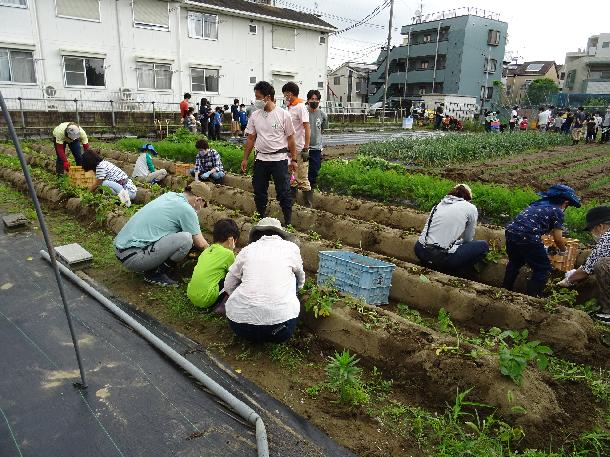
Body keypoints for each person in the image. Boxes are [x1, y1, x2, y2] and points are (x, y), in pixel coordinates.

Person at [224, 218, 305, 343]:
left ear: (256, 235)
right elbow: (301, 279)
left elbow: (229, 284)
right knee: (293, 277)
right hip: (280, 329)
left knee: (244, 276)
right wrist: (294, 294)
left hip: (240, 326)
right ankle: (281, 312)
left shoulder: (247, 250)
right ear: (281, 235)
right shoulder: (291, 248)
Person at [114, 185, 209, 286]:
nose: (201, 209)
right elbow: (201, 244)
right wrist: (216, 252)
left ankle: (153, 266)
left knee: (180, 234)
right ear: (198, 200)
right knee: (186, 239)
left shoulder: (170, 195)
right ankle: (155, 273)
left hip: (120, 249)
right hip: (134, 257)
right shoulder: (187, 209)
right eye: (204, 205)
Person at [502, 184, 581, 297]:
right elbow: (558, 238)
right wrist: (563, 250)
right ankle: (532, 297)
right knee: (543, 268)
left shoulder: (536, 204)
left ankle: (505, 288)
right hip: (528, 237)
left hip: (511, 232)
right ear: (566, 203)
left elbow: (534, 223)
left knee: (515, 262)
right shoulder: (557, 211)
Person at [241, 81, 297, 226]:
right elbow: (251, 138)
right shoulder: (255, 116)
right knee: (259, 190)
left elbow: (291, 138)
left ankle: (288, 221)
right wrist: (245, 159)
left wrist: (294, 159)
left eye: (258, 97)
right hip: (261, 158)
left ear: (267, 97)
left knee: (283, 191)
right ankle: (261, 217)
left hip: (279, 159)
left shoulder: (284, 115)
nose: (256, 100)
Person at [414, 184, 489, 275]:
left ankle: (429, 264)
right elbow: (468, 239)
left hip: (420, 250)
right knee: (484, 246)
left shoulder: (438, 205)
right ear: (468, 197)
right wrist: (459, 242)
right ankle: (456, 273)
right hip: (441, 257)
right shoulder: (470, 208)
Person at [557, 206, 610, 323]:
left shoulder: (607, 237)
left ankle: (608, 313)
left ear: (600, 227)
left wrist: (567, 280)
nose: (592, 234)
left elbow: (587, 270)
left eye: (591, 230)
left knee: (603, 264)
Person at [187, 219, 239, 311]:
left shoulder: (207, 250)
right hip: (206, 300)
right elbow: (236, 274)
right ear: (231, 239)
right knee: (234, 277)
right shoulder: (228, 254)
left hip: (191, 294)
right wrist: (231, 249)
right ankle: (222, 306)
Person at [282, 82, 311, 207]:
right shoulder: (290, 107)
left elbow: (307, 127)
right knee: (292, 178)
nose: (285, 96)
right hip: (290, 148)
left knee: (302, 177)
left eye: (285, 94)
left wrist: (306, 147)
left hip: (299, 147)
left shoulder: (300, 106)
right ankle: (293, 203)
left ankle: (308, 206)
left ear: (290, 93)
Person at [306, 89, 328, 199]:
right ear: (308, 100)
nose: (314, 101)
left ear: (319, 101)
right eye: (312, 99)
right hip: (304, 147)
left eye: (316, 99)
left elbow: (322, 128)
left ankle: (311, 189)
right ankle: (301, 190)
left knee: (314, 169)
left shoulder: (322, 114)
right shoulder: (304, 112)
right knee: (301, 170)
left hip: (316, 147)